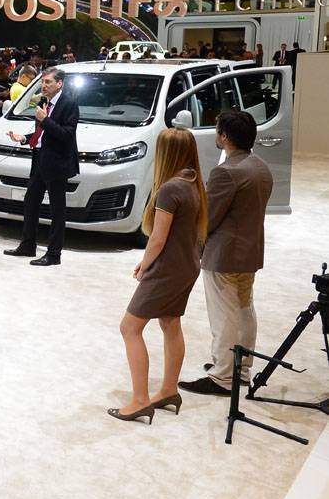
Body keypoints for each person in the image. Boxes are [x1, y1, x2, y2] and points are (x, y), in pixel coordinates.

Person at [108, 128, 207, 424]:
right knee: (170, 323)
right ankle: (168, 390)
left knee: (129, 328)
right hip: (188, 264)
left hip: (167, 268)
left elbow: (158, 239)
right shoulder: (194, 182)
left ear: (166, 153)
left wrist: (144, 264)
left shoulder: (170, 189)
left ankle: (140, 400)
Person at [179, 111, 273, 397]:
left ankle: (222, 377)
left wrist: (192, 245)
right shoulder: (260, 166)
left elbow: (210, 217)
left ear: (225, 136)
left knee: (224, 316)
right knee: (244, 309)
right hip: (250, 250)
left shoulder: (226, 172)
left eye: (218, 130)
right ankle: (240, 368)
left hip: (225, 254)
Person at [4, 68, 79, 266]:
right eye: (43, 82)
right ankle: (28, 245)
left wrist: (45, 120)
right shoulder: (42, 102)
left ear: (59, 84)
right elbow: (42, 135)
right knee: (30, 203)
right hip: (39, 160)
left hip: (57, 163)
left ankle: (54, 255)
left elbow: (66, 135)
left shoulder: (69, 105)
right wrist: (24, 138)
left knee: (57, 210)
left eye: (48, 82)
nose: (43, 86)